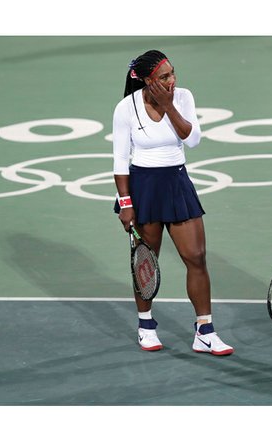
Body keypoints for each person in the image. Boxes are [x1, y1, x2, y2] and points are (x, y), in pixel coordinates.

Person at [112, 49, 233, 355]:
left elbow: (192, 140)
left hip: (177, 184)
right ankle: (146, 326)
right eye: (164, 77)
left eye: (172, 73)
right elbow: (119, 161)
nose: (172, 80)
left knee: (196, 256)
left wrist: (169, 107)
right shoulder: (126, 108)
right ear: (147, 80)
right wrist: (125, 202)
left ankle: (205, 331)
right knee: (146, 263)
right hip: (143, 189)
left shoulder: (182, 98)